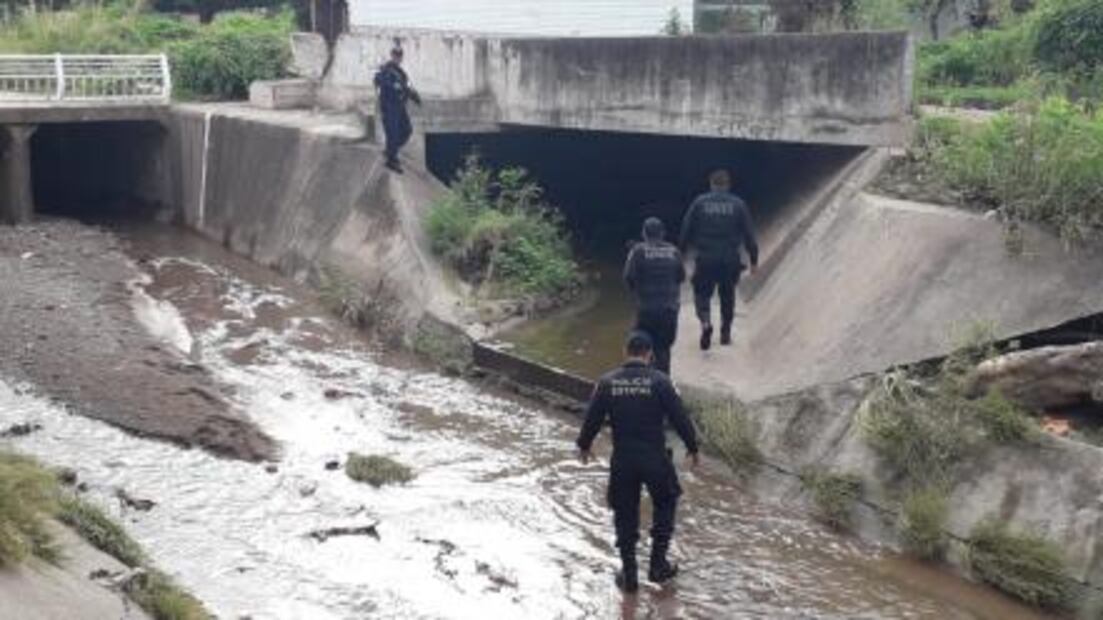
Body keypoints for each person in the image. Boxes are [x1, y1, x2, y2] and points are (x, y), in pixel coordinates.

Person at [576, 331, 700, 593]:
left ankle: (630, 574)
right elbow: (679, 417)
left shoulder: (607, 382)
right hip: (655, 457)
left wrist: (584, 445)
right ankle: (658, 565)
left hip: (624, 459)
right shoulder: (661, 382)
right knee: (666, 501)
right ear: (650, 354)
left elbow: (592, 418)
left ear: (625, 352)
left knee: (625, 512)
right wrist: (693, 446)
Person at [678, 169, 759, 351]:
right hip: (730, 259)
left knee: (701, 294)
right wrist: (754, 260)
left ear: (711, 184)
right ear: (728, 185)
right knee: (727, 295)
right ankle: (725, 333)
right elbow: (749, 235)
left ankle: (706, 322)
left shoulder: (699, 202)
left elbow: (686, 229)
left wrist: (680, 255)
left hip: (705, 257)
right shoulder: (738, 204)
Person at [624, 217, 685, 375]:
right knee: (663, 349)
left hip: (646, 310)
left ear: (644, 233)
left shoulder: (637, 251)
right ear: (663, 233)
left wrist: (638, 294)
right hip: (669, 310)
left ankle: (643, 380)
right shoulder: (674, 251)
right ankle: (663, 382)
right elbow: (681, 277)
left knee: (640, 348)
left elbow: (629, 278)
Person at [373, 46, 421, 173]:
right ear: (392, 55)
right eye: (396, 55)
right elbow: (378, 81)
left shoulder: (401, 73)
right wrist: (392, 85)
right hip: (389, 107)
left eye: (400, 55)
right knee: (392, 133)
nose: (398, 57)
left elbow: (407, 87)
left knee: (407, 130)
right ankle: (391, 160)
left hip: (400, 107)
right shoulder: (386, 69)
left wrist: (415, 97)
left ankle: (390, 150)